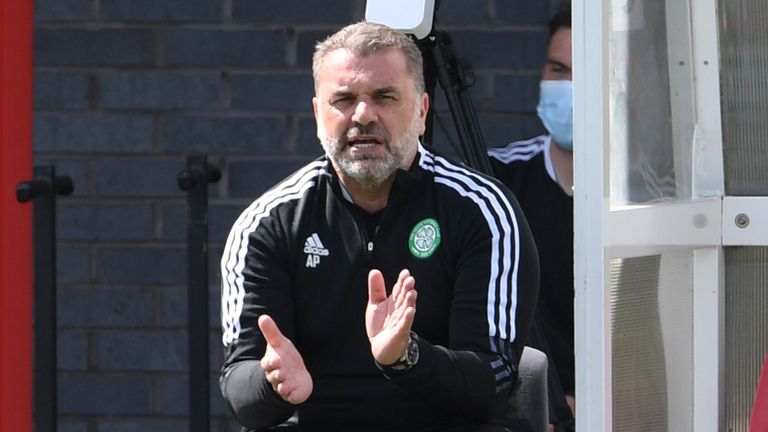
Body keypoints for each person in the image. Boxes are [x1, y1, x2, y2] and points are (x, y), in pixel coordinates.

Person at [219, 21, 539, 432]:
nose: (363, 115)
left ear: (422, 111)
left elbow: (488, 385)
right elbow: (240, 390)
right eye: (344, 99)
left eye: (384, 97)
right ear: (318, 115)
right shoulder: (268, 225)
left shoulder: (482, 211)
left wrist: (406, 357)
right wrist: (273, 385)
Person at [487, 3, 575, 426]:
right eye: (558, 70)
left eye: (585, 74)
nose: (568, 87)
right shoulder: (497, 181)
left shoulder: (657, 193)